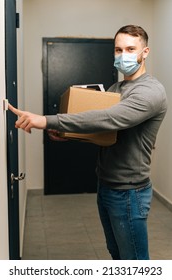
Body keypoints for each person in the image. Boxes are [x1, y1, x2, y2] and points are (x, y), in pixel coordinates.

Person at [9, 25, 167, 260]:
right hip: (107, 185)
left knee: (134, 262)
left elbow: (109, 119)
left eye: (131, 49)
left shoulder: (150, 91)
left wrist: (46, 121)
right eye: (118, 49)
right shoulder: (117, 88)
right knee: (116, 254)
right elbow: (105, 133)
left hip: (129, 192)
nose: (123, 55)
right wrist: (66, 134)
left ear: (145, 52)